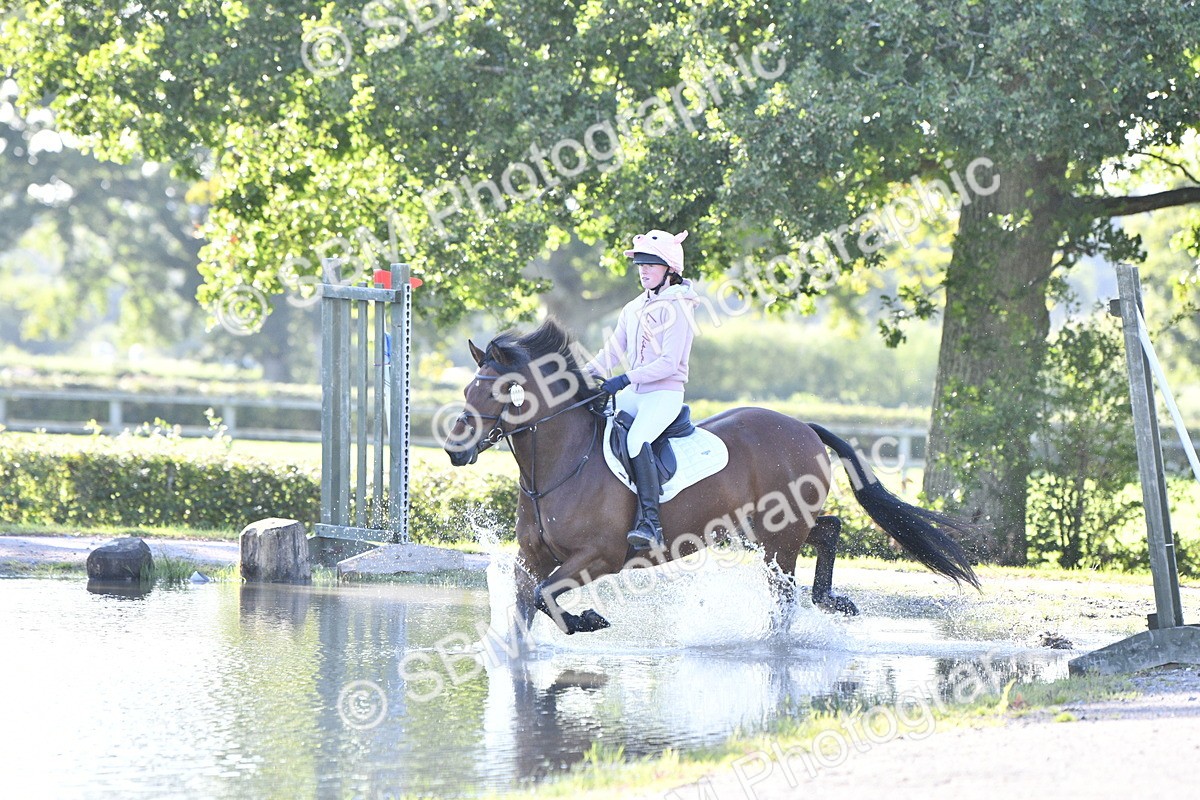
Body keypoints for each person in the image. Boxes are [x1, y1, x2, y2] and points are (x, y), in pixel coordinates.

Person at [586, 229, 700, 550]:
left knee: (636, 440)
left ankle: (651, 524)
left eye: (651, 264)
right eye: (640, 264)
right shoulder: (633, 307)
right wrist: (578, 377)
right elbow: (611, 352)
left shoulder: (679, 306)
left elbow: (668, 363)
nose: (644, 270)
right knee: (594, 422)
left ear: (670, 269)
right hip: (635, 393)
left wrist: (624, 379)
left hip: (664, 394)